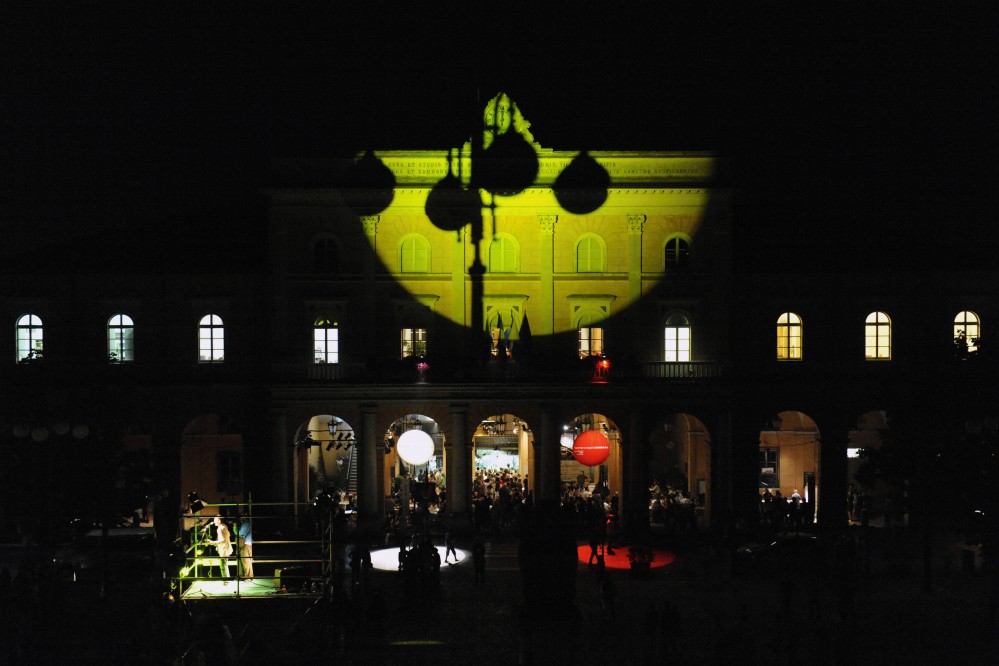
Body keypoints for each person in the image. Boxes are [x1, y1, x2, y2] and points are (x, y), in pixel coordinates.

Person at [209, 515, 233, 581]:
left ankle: (226, 580)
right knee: (224, 565)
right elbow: (228, 535)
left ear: (219, 520)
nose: (214, 522)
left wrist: (213, 542)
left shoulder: (221, 528)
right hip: (224, 548)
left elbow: (222, 540)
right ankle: (226, 579)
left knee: (223, 565)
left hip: (224, 549)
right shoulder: (224, 526)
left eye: (215, 520)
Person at [236, 513, 254, 580]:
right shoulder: (244, 524)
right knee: (244, 561)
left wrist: (235, 529)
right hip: (244, 543)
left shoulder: (246, 524)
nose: (240, 518)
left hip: (246, 544)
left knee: (246, 561)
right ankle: (245, 576)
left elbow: (241, 533)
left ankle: (249, 577)